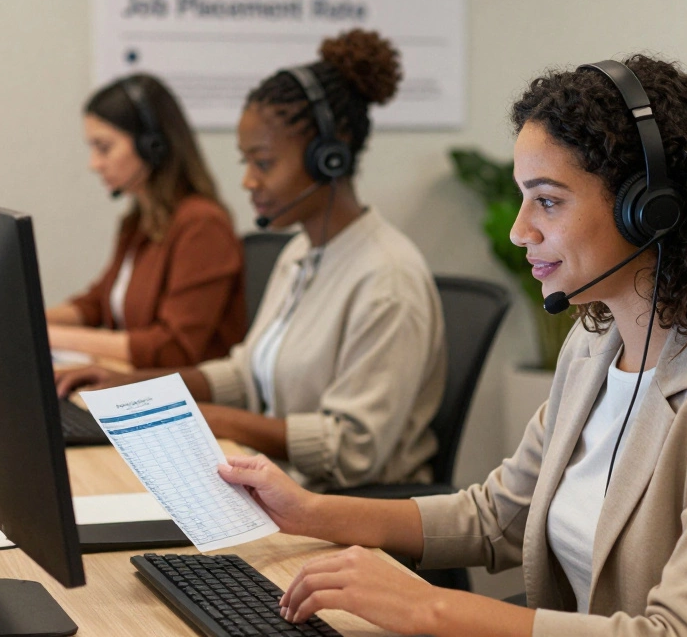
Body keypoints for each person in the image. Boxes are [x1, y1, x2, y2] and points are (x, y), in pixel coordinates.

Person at [216, 56, 687, 636]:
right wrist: (306, 512)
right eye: (525, 199)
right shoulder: (593, 347)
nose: (521, 231)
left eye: (547, 201)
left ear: (648, 210)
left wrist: (427, 607)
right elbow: (497, 516)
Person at [58, 30, 447, 491]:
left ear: (330, 159)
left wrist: (197, 416)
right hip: (278, 486)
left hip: (350, 516)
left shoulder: (388, 278)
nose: (246, 181)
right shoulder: (300, 253)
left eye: (262, 163)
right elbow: (245, 374)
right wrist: (136, 383)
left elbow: (350, 449)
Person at [45, 74, 246, 369]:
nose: (94, 164)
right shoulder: (139, 221)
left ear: (152, 146)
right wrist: (27, 321)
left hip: (188, 402)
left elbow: (174, 348)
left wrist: (50, 336)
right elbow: (98, 303)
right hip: (141, 384)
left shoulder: (203, 225)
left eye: (104, 147)